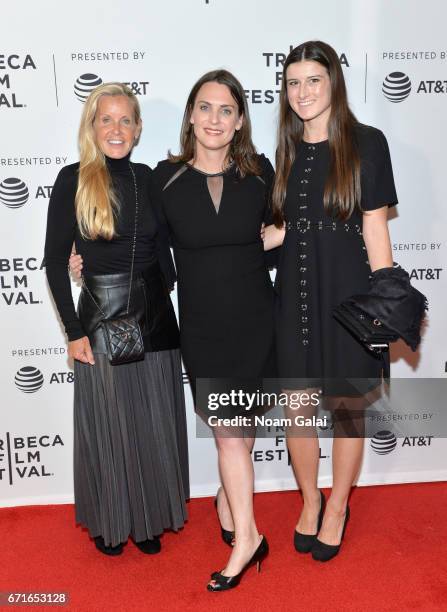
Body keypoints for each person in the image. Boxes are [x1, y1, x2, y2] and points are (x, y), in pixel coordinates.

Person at [70, 70, 274, 590]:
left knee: (239, 435)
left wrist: (278, 241)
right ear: (189, 116)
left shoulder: (260, 172)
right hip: (202, 328)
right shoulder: (164, 178)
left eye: (226, 110)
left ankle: (232, 509)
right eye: (204, 108)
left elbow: (285, 229)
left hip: (256, 321)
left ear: (240, 120)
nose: (214, 119)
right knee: (230, 436)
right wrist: (87, 261)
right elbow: (139, 240)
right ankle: (247, 537)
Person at [264, 41, 398, 562]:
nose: (302, 92)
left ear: (334, 82)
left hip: (349, 297)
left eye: (313, 80)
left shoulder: (367, 142)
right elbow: (280, 231)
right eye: (293, 83)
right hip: (294, 295)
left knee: (346, 412)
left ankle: (338, 506)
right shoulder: (287, 150)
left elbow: (375, 229)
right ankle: (309, 499)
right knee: (297, 409)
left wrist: (385, 300)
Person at [44, 83, 189, 556]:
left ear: (139, 128)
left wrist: (165, 289)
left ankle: (147, 522)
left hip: (154, 315)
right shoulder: (73, 179)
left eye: (125, 119)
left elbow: (165, 247)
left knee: (152, 422)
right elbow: (51, 263)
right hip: (101, 317)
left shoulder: (148, 178)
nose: (116, 128)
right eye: (106, 119)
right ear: (92, 126)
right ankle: (112, 521)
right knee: (110, 423)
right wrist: (73, 332)